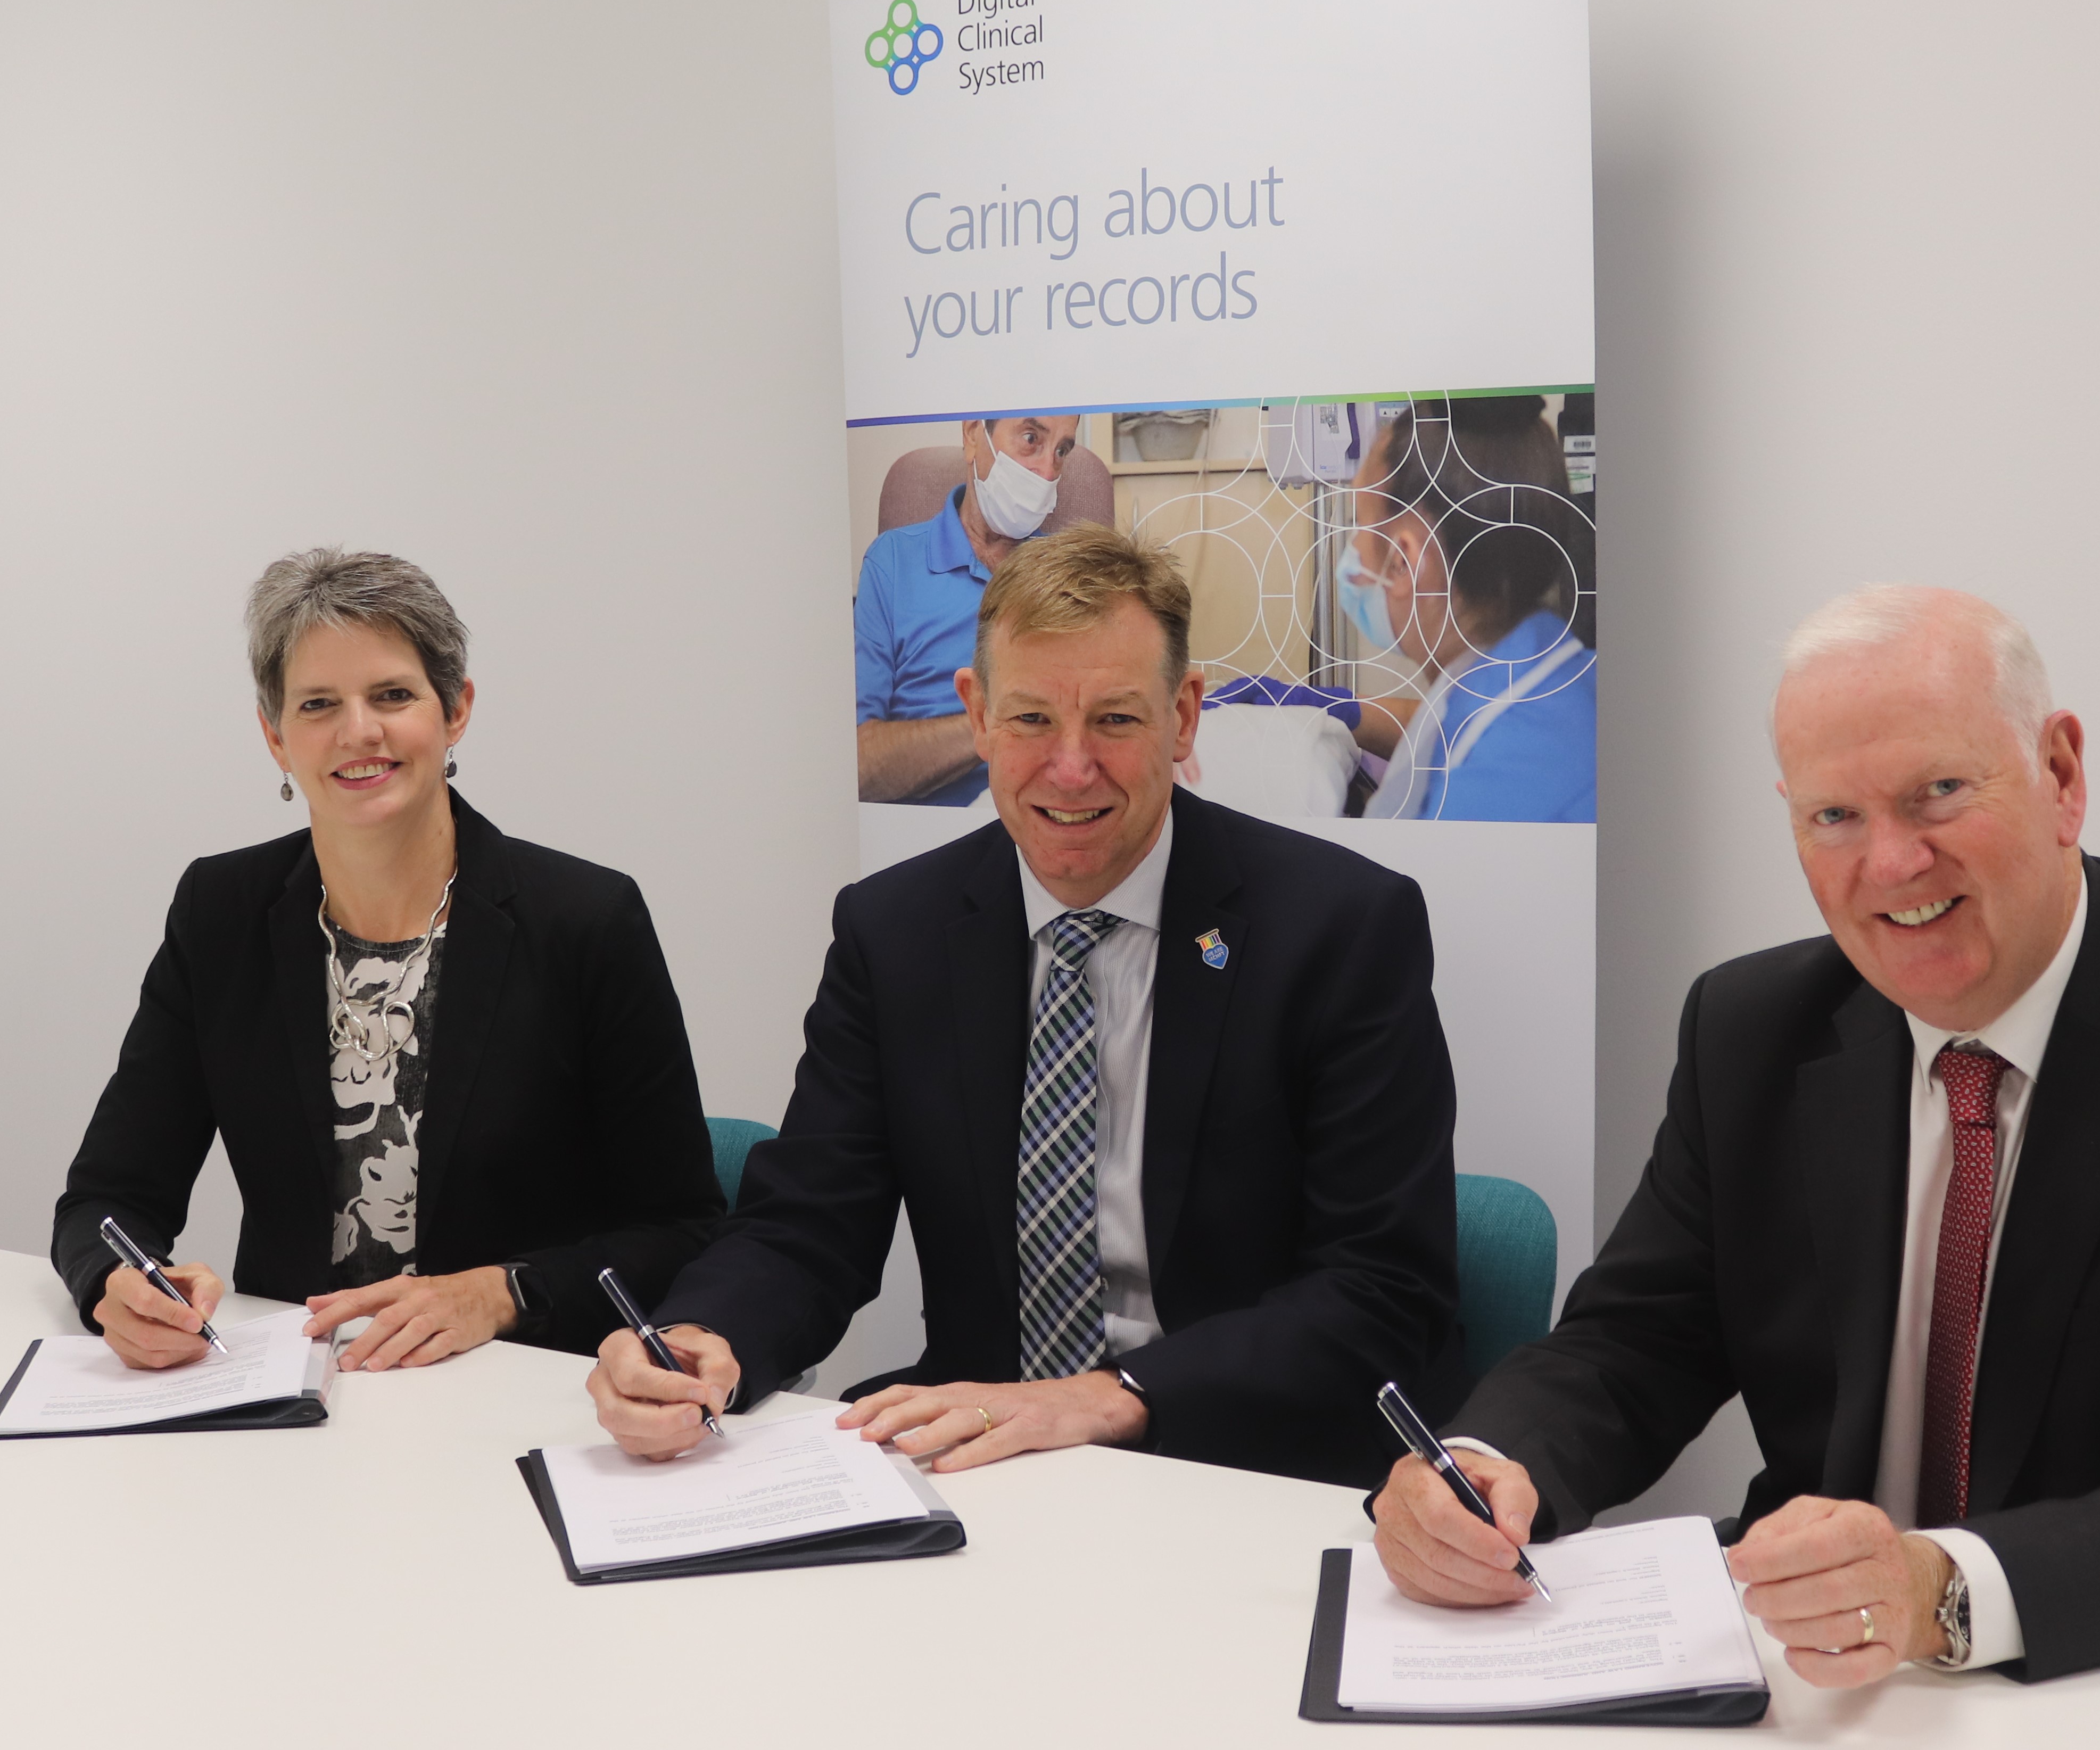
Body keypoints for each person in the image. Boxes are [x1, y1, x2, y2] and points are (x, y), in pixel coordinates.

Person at [1370, 585, 2100, 1683]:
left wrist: (1936, 1590)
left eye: (1939, 793)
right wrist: (1480, 1469)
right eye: (1834, 817)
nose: (1891, 864)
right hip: (1816, 1680)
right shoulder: (1750, 1030)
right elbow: (1636, 1341)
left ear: (2060, 776)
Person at [593, 524, 1465, 1485]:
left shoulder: (1339, 929)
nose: (1072, 766)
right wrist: (699, 1338)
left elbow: (1383, 1293)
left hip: (1237, 1468)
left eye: (1118, 722)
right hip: (980, 1459)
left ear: (1184, 717)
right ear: (976, 715)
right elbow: (807, 1225)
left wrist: (1108, 1395)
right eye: (1032, 720)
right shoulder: (897, 930)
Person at [51, 548, 727, 1372]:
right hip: (295, 1392)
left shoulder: (586, 920)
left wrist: (504, 1290)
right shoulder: (220, 912)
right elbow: (108, 1198)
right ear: (275, 737)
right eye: (318, 704)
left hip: (512, 1386)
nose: (358, 731)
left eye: (393, 695)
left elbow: (682, 1228)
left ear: (457, 710)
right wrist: (116, 1284)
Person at [1336, 397, 1597, 822]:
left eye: (1360, 525)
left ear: (1403, 563)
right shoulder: (1562, 673)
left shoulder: (1478, 800)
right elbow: (1449, 725)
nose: (1353, 555)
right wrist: (1341, 708)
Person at [854, 412, 1085, 806]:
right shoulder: (893, 562)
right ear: (974, 434)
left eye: (1062, 450)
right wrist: (1000, 726)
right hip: (920, 824)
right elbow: (858, 767)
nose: (1048, 472)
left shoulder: (1069, 571)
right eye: (1031, 439)